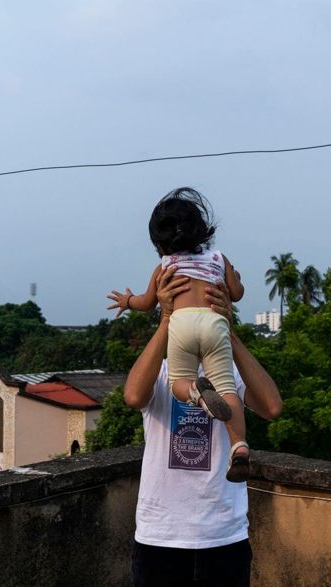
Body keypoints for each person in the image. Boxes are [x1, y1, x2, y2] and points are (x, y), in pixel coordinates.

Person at [124, 264, 283, 587]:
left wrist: (229, 332)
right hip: (161, 535)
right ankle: (200, 395)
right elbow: (133, 395)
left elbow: (272, 406)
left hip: (223, 535)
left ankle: (197, 394)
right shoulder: (162, 371)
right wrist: (166, 321)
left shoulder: (229, 376)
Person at [108, 187, 250, 481]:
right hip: (215, 324)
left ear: (159, 243)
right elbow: (236, 293)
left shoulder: (165, 267)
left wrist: (127, 301)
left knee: (178, 383)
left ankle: (196, 393)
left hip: (180, 324)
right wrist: (235, 278)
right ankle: (239, 446)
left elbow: (148, 303)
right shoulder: (218, 259)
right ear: (202, 231)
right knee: (226, 389)